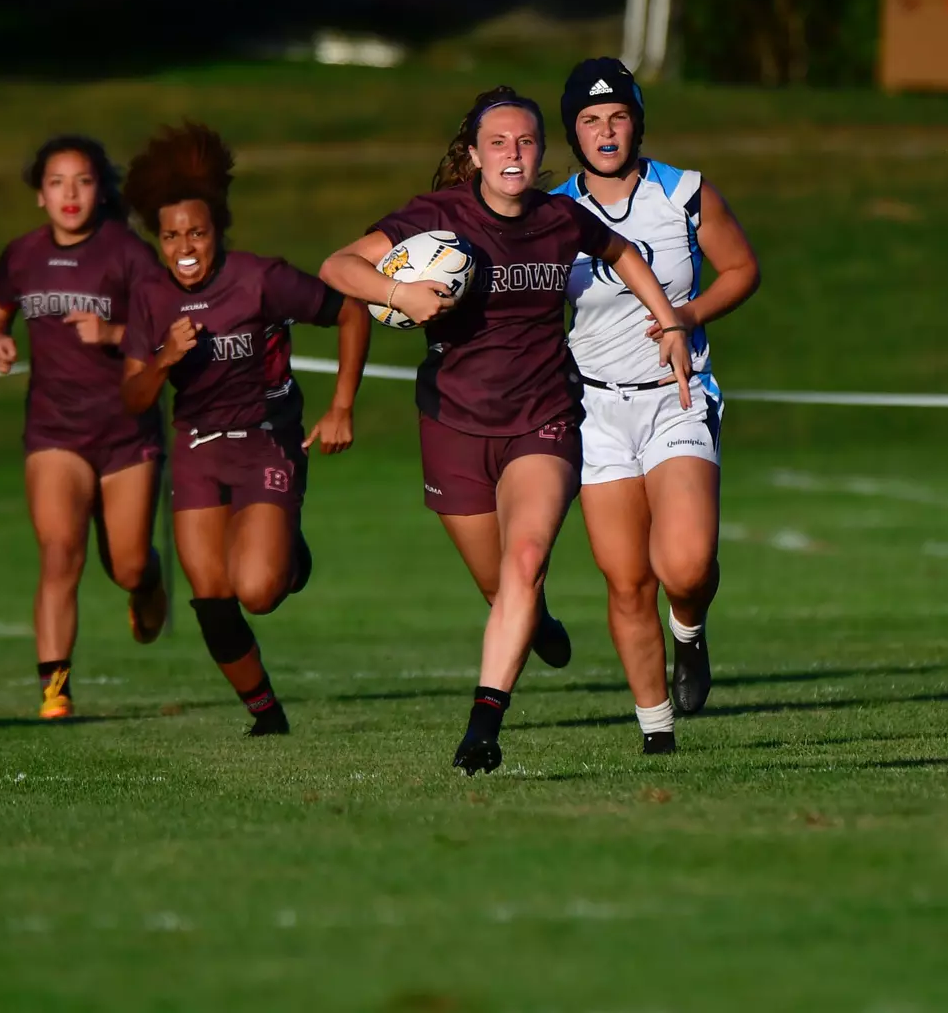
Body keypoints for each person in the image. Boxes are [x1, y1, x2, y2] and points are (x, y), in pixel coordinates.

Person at [318, 86, 692, 774]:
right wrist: (399, 293)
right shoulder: (438, 217)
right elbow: (338, 266)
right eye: (498, 143)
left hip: (542, 418)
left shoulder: (560, 218)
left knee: (524, 561)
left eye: (525, 143)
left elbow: (624, 253)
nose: (512, 155)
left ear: (541, 153)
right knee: (500, 587)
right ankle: (537, 620)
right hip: (453, 425)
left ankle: (483, 726)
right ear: (474, 155)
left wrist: (667, 322)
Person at [120, 122, 368, 737]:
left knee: (256, 590)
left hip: (266, 439)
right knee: (211, 593)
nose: (185, 246)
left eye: (197, 233)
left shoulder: (261, 279)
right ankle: (266, 715)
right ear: (157, 239)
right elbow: (132, 396)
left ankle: (291, 555)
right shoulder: (150, 298)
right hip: (199, 447)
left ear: (218, 233)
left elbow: (351, 312)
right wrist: (164, 361)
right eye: (172, 235)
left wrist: (341, 406)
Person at [548, 58, 760, 753]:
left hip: (677, 395)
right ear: (572, 132)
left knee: (687, 565)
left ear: (637, 121)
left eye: (617, 117)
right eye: (589, 120)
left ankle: (690, 635)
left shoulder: (685, 192)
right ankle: (656, 731)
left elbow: (742, 270)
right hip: (596, 413)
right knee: (625, 578)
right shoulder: (550, 212)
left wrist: (685, 314)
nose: (605, 132)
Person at [0, 135, 170, 721]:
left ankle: (147, 583)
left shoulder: (128, 255)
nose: (70, 194)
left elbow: (168, 332)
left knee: (128, 563)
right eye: (57, 182)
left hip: (126, 432)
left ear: (98, 189)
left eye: (82, 181)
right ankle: (55, 690)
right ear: (40, 194)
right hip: (54, 431)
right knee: (60, 553)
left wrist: (113, 335)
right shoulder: (21, 256)